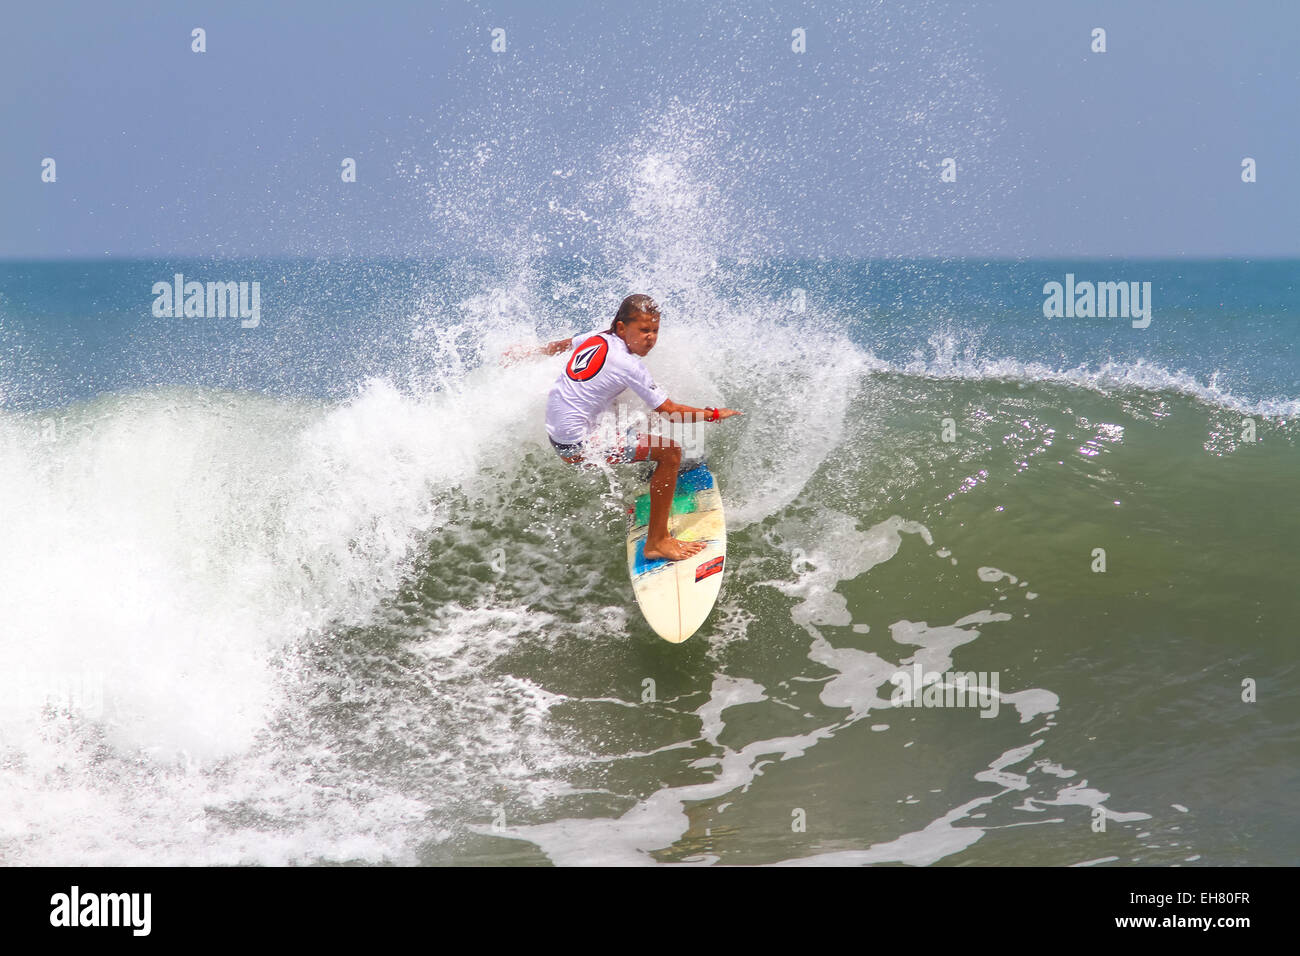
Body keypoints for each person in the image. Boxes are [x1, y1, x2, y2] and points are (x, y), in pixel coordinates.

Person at [504, 294, 740, 561]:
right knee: (671, 452)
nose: (650, 337)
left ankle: (650, 473)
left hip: (561, 430)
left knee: (640, 415)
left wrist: (528, 353)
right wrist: (714, 413)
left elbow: (562, 344)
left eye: (654, 330)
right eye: (643, 330)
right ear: (621, 328)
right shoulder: (627, 364)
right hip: (577, 444)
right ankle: (657, 542)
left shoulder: (596, 337)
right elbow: (671, 412)